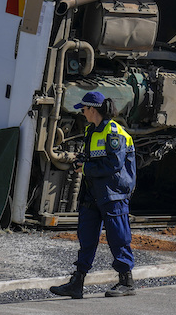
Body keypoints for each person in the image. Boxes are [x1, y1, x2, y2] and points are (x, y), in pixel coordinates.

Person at [50, 90, 138, 299]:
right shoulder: (92, 130)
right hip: (94, 192)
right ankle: (77, 282)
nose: (82, 113)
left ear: (93, 109)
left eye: (84, 109)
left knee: (118, 237)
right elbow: (95, 157)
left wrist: (86, 168)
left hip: (113, 193)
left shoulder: (113, 132)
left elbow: (114, 164)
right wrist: (82, 160)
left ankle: (126, 281)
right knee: (86, 237)